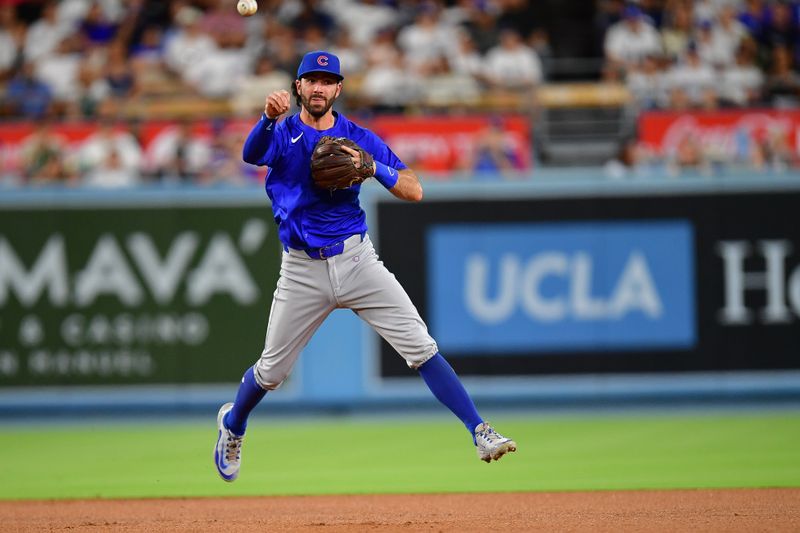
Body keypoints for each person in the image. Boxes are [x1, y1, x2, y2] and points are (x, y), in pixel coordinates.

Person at [213, 50, 517, 482]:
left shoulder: (359, 137)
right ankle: (234, 425)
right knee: (271, 371)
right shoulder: (281, 133)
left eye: (327, 80)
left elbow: (414, 190)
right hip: (302, 269)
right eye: (311, 80)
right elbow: (251, 154)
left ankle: (480, 431)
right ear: (298, 87)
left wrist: (373, 167)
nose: (319, 87)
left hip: (356, 260)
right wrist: (265, 117)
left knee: (420, 345)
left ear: (339, 88)